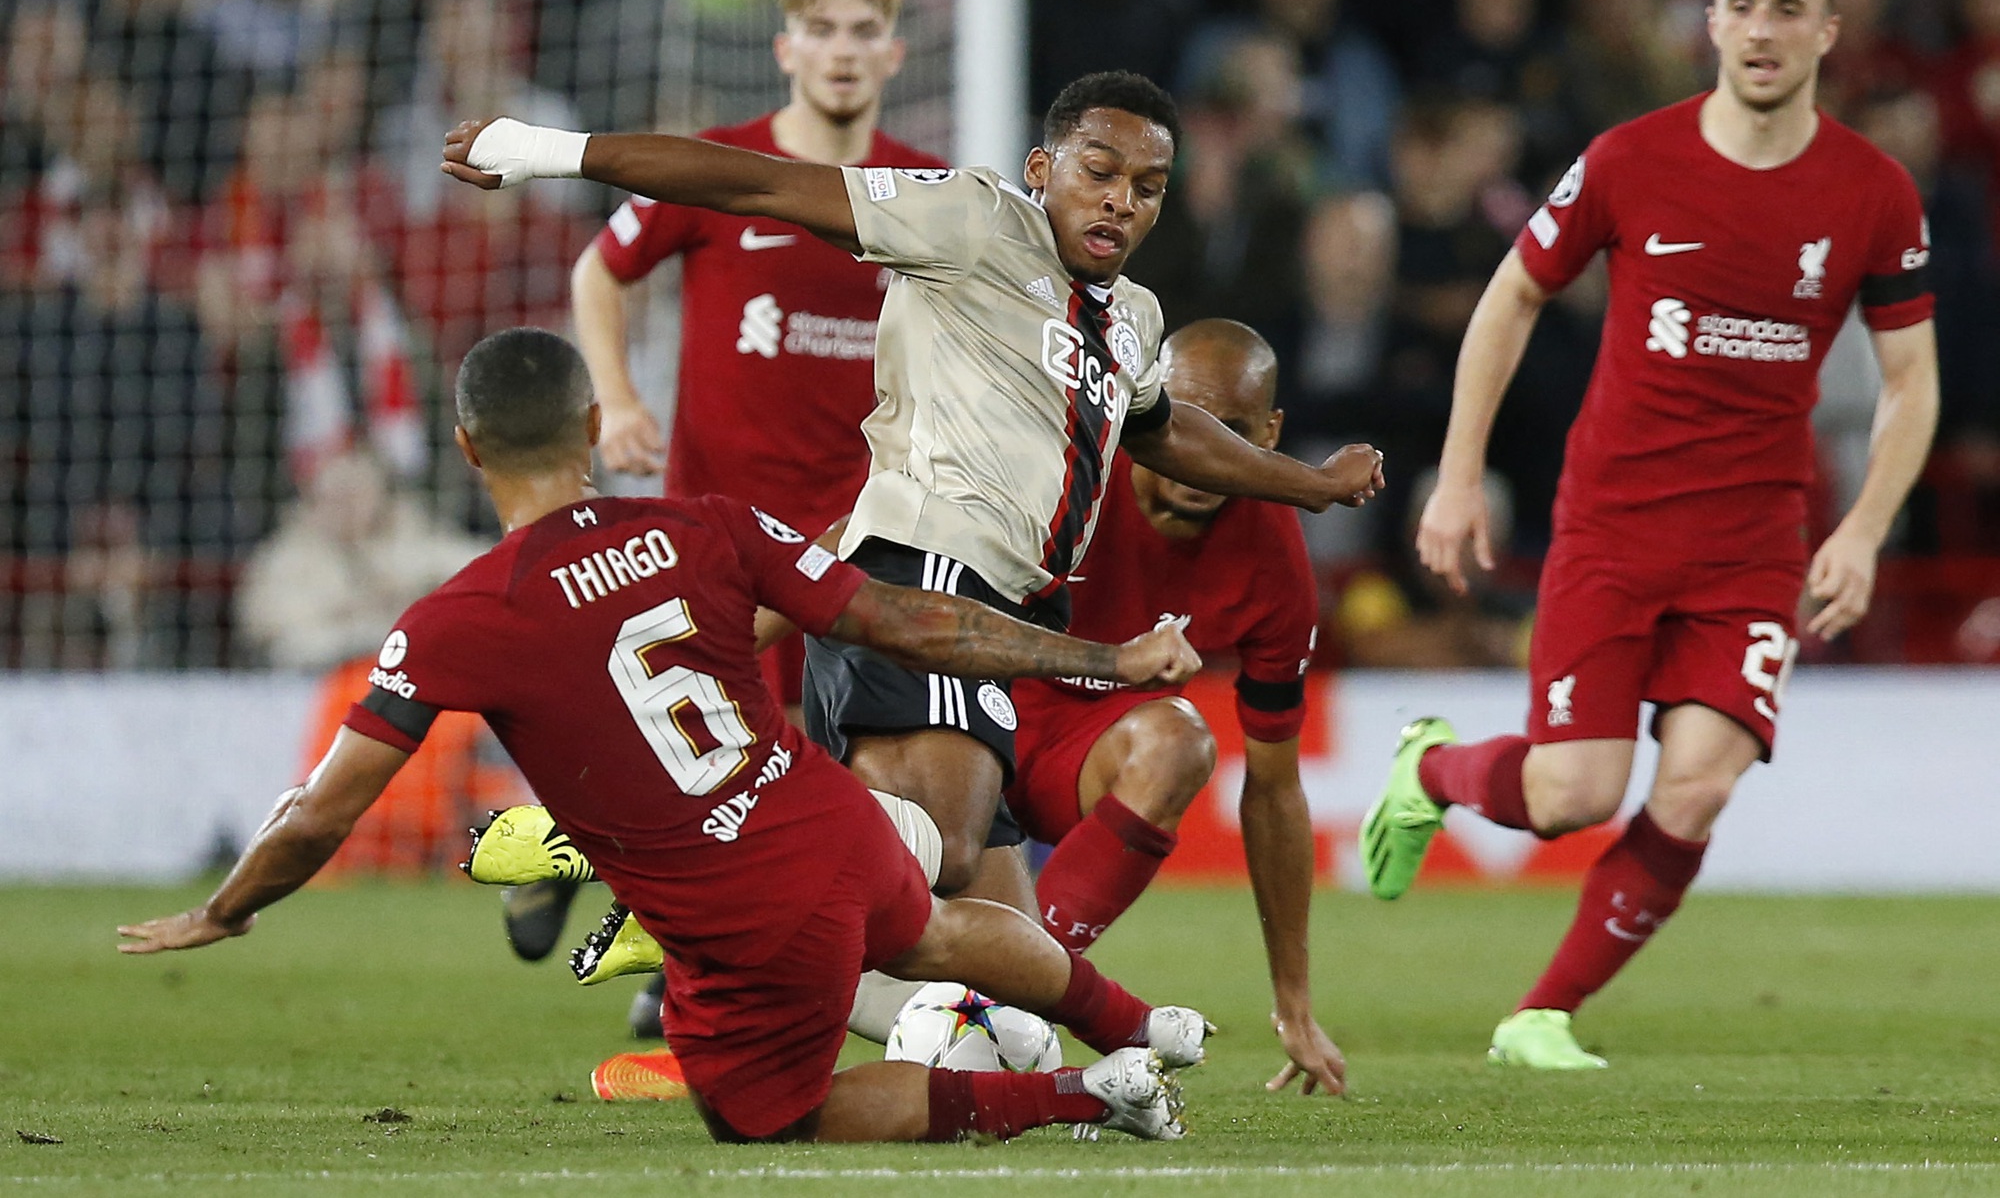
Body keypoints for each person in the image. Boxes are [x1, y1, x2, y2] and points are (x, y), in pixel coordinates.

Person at [118, 328, 1213, 1145]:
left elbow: (322, 813)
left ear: (464, 448)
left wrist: (227, 907)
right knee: (929, 926)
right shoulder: (709, 525)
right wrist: (1103, 660)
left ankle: (1079, 1091)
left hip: (743, 908)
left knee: (764, 1116)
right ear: (594, 426)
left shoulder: (455, 618)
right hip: (838, 821)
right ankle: (1136, 1024)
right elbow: (900, 612)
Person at [441, 70, 1386, 926]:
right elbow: (756, 183)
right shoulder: (971, 220)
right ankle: (663, 849)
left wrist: (1309, 484)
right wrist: (544, 152)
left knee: (996, 955)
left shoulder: (1132, 316)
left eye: (1146, 188)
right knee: (947, 845)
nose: (1120, 201)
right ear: (1041, 166)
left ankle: (989, 1053)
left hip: (1005, 605)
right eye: (1099, 171)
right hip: (926, 566)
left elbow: (1163, 426)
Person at [1359, 0, 1940, 1069]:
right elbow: (1509, 297)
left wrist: (1864, 528)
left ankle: (1541, 1013)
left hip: (1753, 545)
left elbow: (1909, 381)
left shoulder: (1872, 194)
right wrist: (1459, 474)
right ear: (1708, 21)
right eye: (1738, 5)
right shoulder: (1630, 158)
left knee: (1696, 782)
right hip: (1614, 526)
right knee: (1573, 790)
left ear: (1827, 29)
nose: (1759, 30)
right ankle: (1426, 768)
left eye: (1785, 8)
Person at [547, 0, 945, 1013]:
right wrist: (618, 399)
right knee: (694, 754)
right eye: (823, 29)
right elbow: (598, 269)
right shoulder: (717, 164)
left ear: (893, 53)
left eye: (864, 31)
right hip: (715, 534)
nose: (844, 50)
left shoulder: (918, 192)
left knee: (788, 775)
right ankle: (581, 868)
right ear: (785, 48)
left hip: (852, 535)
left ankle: (683, 956)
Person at [1003, 319, 1346, 1097]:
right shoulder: (1063, 473)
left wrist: (1292, 998)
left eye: (1234, 429)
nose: (1204, 451)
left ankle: (1004, 997)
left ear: (1271, 432)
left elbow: (1275, 787)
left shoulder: (1275, 559)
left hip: (1080, 757)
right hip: (971, 720)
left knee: (1183, 740)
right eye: (1187, 419)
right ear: (1140, 403)